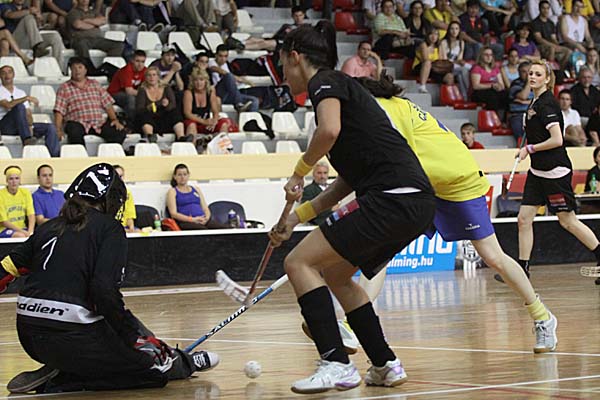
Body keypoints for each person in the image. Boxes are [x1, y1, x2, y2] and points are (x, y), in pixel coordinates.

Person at [269, 21, 436, 394]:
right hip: (414, 202)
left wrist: (299, 172)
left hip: (392, 197)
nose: (283, 75)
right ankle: (385, 364)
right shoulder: (345, 93)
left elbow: (327, 131)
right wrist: (296, 217)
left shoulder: (324, 82)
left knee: (298, 263)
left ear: (295, 57)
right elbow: (347, 182)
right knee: (338, 275)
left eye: (283, 65)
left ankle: (335, 363)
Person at [346, 74, 559, 355]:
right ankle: (353, 326)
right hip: (426, 185)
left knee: (493, 257)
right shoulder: (382, 109)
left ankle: (543, 317)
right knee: (381, 254)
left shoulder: (386, 109)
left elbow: (393, 159)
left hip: (459, 182)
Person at [0, 163, 219, 395]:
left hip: (30, 337)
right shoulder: (110, 229)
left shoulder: (49, 227)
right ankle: (67, 379)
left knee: (129, 333)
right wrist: (134, 337)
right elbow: (104, 293)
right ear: (109, 199)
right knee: (152, 372)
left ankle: (178, 360)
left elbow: (5, 271)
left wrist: (135, 334)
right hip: (73, 336)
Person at [516, 60, 600, 290]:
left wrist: (529, 149)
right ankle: (522, 270)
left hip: (554, 173)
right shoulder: (534, 102)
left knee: (567, 221)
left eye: (537, 74)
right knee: (523, 219)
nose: (532, 76)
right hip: (537, 172)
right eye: (530, 73)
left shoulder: (548, 105)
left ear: (547, 79)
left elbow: (557, 139)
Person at [54, 57, 126, 145]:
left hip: (98, 123)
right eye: (74, 68)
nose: (77, 70)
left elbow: (107, 104)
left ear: (85, 69)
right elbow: (59, 111)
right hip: (77, 122)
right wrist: (58, 129)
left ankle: (106, 153)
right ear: (71, 70)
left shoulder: (95, 84)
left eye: (80, 67)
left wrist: (114, 119)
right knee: (74, 132)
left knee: (119, 132)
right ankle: (81, 153)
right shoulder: (64, 88)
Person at [0, 65, 60, 157]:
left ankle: (54, 157)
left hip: (22, 126)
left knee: (50, 128)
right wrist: (26, 98)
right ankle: (27, 139)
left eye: (9, 72)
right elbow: (8, 105)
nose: (7, 75)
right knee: (19, 107)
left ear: (13, 74)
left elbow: (28, 113)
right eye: (3, 73)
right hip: (6, 126)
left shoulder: (20, 92)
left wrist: (30, 125)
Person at [166, 164, 229, 230]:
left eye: (185, 174)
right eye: (179, 175)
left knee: (225, 228)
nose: (182, 177)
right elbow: (173, 214)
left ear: (188, 175)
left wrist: (206, 218)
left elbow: (205, 208)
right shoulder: (172, 191)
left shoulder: (196, 189)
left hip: (202, 220)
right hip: (186, 222)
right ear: (175, 177)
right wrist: (192, 219)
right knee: (203, 231)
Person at [135, 66, 184, 143]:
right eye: (149, 75)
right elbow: (139, 109)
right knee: (143, 115)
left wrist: (167, 105)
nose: (152, 77)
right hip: (150, 117)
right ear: (146, 77)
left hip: (164, 117)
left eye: (154, 75)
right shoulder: (142, 90)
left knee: (175, 112)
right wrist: (150, 107)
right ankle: (150, 136)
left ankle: (181, 137)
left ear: (158, 76)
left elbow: (173, 104)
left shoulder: (166, 88)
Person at [182, 70, 230, 142]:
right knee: (191, 125)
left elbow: (215, 111)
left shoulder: (210, 92)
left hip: (206, 123)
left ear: (206, 81)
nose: (199, 83)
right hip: (194, 121)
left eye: (201, 80)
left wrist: (214, 121)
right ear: (192, 82)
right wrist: (203, 121)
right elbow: (187, 113)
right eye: (196, 80)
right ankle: (191, 147)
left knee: (223, 124)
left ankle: (223, 147)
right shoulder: (188, 93)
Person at [208, 44, 259, 112]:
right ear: (216, 55)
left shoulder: (227, 64)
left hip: (229, 95)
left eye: (225, 56)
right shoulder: (211, 63)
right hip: (218, 93)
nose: (223, 59)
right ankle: (238, 103)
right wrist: (242, 80)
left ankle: (248, 117)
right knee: (228, 76)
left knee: (254, 100)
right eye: (220, 56)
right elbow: (221, 71)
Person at [107, 50, 147, 123]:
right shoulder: (126, 70)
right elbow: (129, 91)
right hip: (113, 94)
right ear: (132, 60)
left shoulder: (145, 70)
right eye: (137, 61)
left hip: (128, 93)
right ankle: (132, 122)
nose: (140, 64)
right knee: (131, 99)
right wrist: (145, 94)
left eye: (142, 62)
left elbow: (146, 87)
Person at [531, 0, 571, 69]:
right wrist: (553, 45)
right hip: (539, 46)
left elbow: (553, 38)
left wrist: (557, 45)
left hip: (551, 45)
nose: (546, 10)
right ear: (539, 9)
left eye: (547, 8)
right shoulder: (535, 22)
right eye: (543, 8)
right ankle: (550, 70)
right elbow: (539, 39)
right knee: (552, 49)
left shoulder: (551, 23)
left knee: (568, 51)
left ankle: (560, 69)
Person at [413, 27, 454, 94]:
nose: (434, 36)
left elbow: (442, 60)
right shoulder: (423, 44)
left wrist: (441, 47)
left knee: (449, 76)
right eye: (431, 34)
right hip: (421, 67)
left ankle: (446, 97)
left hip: (434, 68)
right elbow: (425, 58)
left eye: (436, 34)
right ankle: (422, 86)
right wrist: (435, 63)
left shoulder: (439, 46)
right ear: (427, 35)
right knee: (427, 63)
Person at [470, 46, 508, 116]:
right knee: (492, 96)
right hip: (480, 92)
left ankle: (505, 118)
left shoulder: (495, 69)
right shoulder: (477, 68)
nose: (489, 57)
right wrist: (492, 86)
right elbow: (476, 86)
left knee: (507, 94)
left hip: (494, 90)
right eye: (486, 55)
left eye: (490, 55)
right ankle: (493, 117)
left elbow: (502, 84)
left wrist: (499, 87)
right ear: (481, 56)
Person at [0, 165, 34, 238]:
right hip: (5, 229)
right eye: (11, 179)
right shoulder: (1, 195)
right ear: (7, 181)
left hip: (23, 228)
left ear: (20, 180)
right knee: (20, 235)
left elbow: (31, 214)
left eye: (17, 178)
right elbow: (4, 221)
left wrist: (30, 232)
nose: (14, 181)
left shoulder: (25, 192)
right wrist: (23, 232)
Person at [440, 21, 471, 99]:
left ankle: (465, 96)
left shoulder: (461, 42)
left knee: (465, 72)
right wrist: (457, 62)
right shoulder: (443, 42)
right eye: (452, 29)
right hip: (447, 67)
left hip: (457, 66)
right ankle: (470, 90)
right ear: (449, 30)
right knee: (464, 70)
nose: (454, 31)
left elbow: (459, 58)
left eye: (456, 29)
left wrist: (460, 62)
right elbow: (444, 60)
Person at [570, 66, 600, 146]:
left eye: (589, 77)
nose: (586, 79)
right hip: (579, 118)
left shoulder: (595, 91)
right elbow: (573, 108)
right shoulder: (574, 91)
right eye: (584, 77)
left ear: (592, 78)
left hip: (594, 118)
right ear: (579, 78)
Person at [300, 161, 335, 226]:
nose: (322, 176)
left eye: (325, 173)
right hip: (320, 225)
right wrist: (331, 209)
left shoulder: (333, 187)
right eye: (319, 173)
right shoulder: (308, 190)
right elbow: (307, 212)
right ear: (313, 174)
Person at [508, 61, 533, 140]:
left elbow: (541, 100)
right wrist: (529, 82)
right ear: (519, 73)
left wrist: (525, 102)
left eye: (529, 72)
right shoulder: (515, 84)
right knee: (521, 136)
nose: (527, 74)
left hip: (534, 114)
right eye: (524, 72)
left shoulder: (538, 84)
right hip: (518, 115)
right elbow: (523, 96)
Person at [113, 164, 136, 232]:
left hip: (125, 227)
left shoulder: (127, 193)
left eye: (121, 176)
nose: (119, 179)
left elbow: (129, 215)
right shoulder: (106, 194)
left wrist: (131, 227)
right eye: (117, 176)